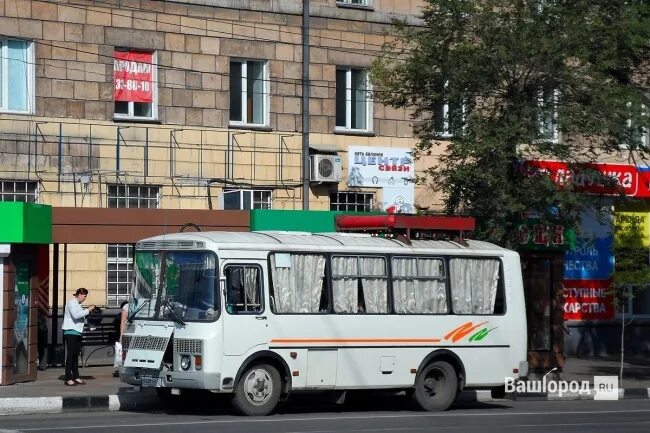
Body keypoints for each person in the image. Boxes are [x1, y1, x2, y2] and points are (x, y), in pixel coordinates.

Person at [62, 288, 95, 386]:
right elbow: (76, 316)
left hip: (77, 332)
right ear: (79, 294)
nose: (85, 299)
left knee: (75, 355)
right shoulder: (71, 303)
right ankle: (68, 378)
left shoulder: (78, 305)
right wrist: (88, 310)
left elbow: (81, 316)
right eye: (84, 296)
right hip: (71, 332)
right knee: (71, 355)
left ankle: (76, 376)